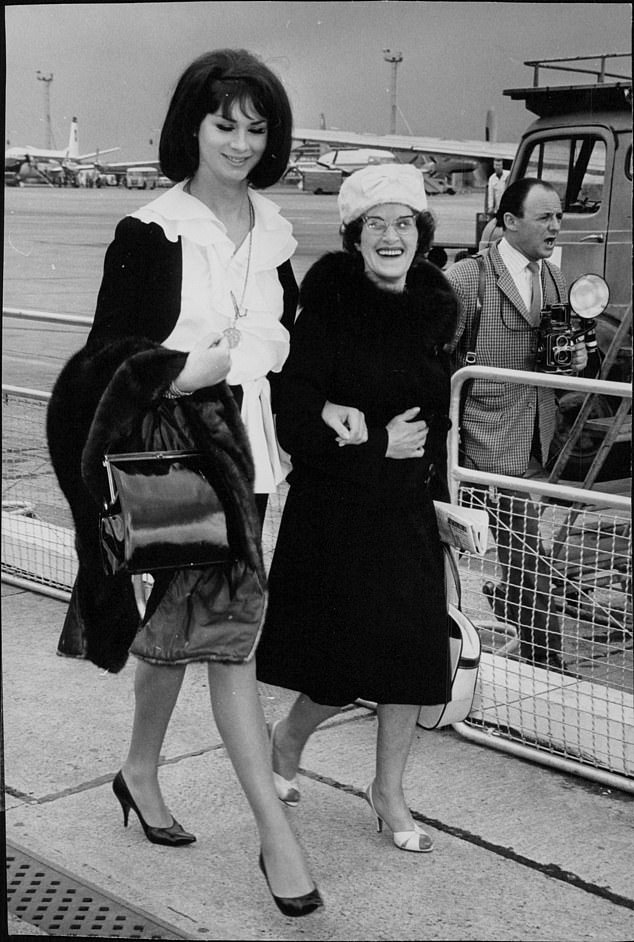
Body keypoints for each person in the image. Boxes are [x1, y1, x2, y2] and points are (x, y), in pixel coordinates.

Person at [46, 48, 323, 918]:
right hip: (179, 457)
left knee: (183, 620)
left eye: (257, 125)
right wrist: (176, 370)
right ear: (191, 127)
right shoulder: (149, 231)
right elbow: (99, 360)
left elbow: (294, 350)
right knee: (230, 636)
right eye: (224, 123)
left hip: (258, 458)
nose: (241, 141)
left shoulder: (277, 231)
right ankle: (278, 840)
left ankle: (136, 768)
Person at [255, 163, 459, 853]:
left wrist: (445, 508)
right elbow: (293, 420)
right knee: (337, 673)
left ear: (423, 235)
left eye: (405, 224)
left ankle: (389, 791)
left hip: (404, 515)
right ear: (353, 236)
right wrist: (375, 444)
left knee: (411, 656)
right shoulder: (327, 314)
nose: (392, 237)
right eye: (377, 224)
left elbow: (434, 430)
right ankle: (287, 738)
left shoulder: (434, 312)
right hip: (337, 516)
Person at [446, 178, 588, 669]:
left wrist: (573, 361)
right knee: (528, 553)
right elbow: (434, 361)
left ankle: (511, 609)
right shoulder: (469, 280)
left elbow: (557, 363)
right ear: (509, 222)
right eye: (544, 218)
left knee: (523, 550)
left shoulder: (552, 279)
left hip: (532, 441)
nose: (555, 227)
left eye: (558, 218)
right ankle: (546, 660)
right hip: (480, 444)